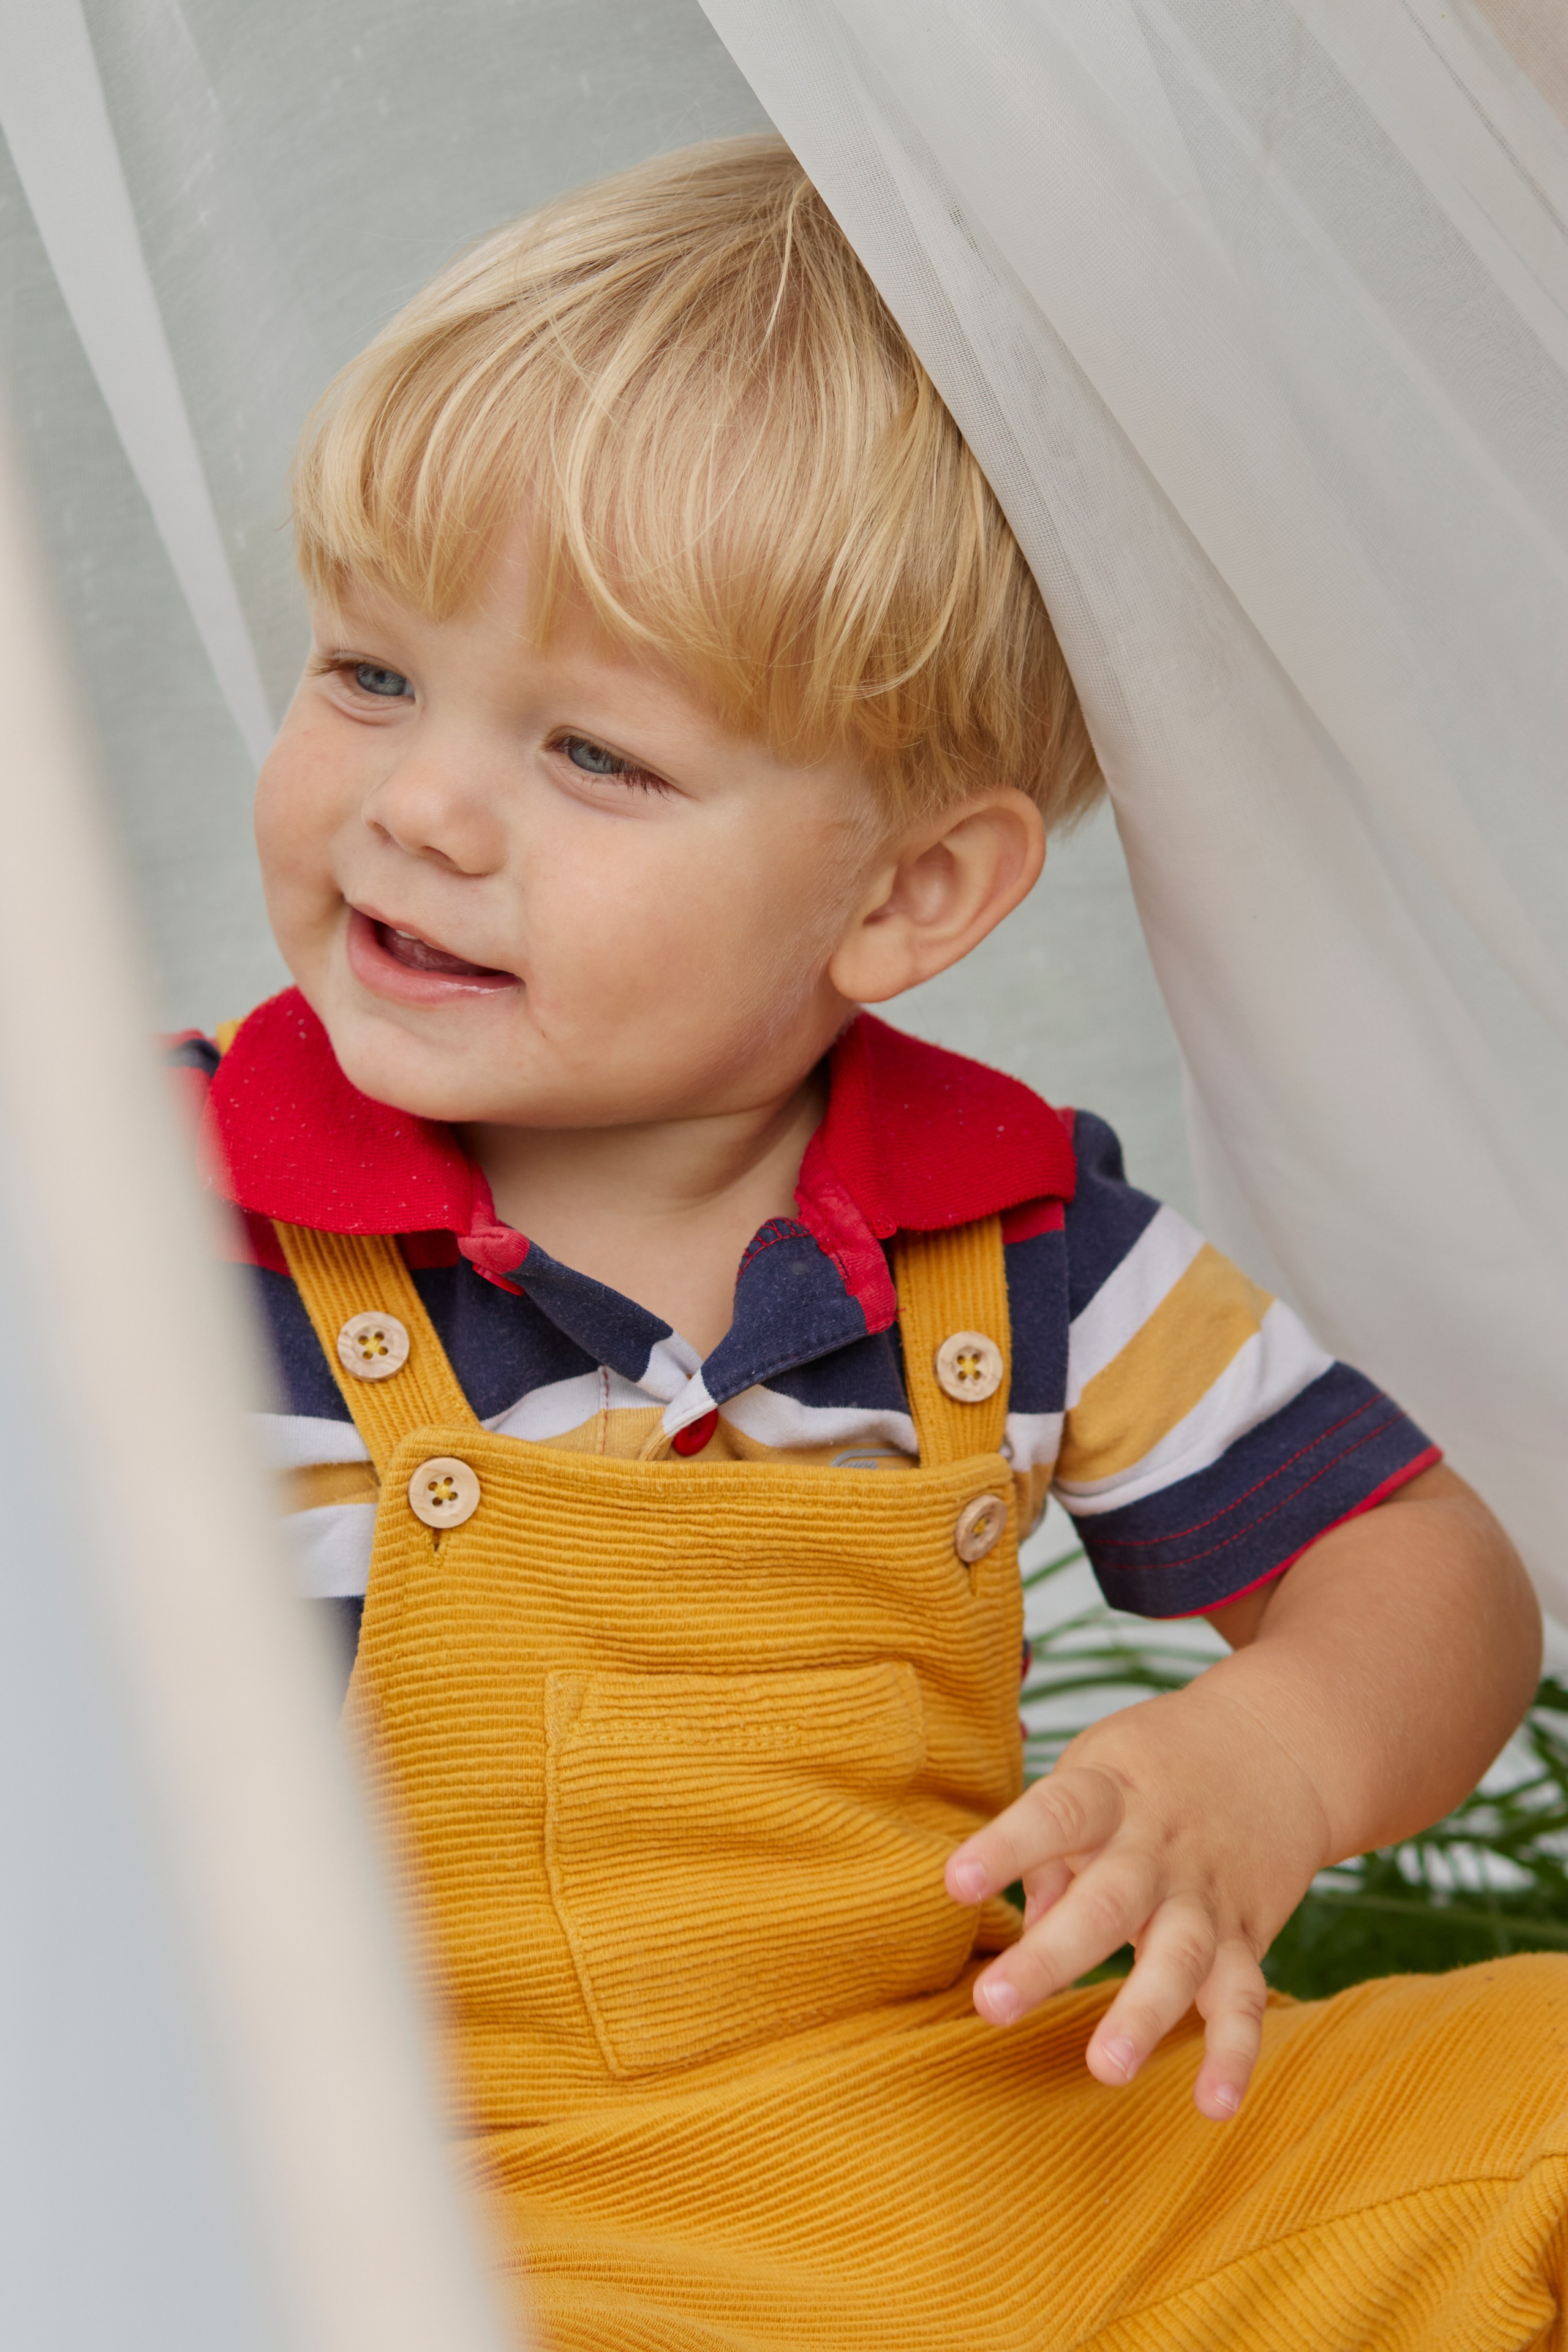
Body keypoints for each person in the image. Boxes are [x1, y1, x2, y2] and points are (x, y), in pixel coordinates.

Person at [176, 136, 1568, 2349]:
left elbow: (1429, 1576)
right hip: (452, 2237)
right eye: (366, 672)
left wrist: (1275, 1761)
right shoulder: (145, 1217)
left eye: (592, 756)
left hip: (1007, 2173)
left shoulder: (1017, 1253)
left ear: (912, 896)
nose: (418, 804)